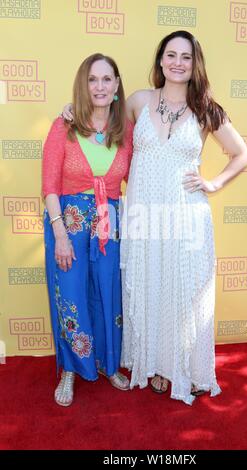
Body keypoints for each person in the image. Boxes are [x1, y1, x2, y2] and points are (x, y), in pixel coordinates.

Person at [62, 31, 247, 405]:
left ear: (195, 64)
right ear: (160, 60)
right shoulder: (138, 102)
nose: (177, 62)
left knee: (185, 292)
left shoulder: (207, 110)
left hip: (185, 216)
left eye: (185, 56)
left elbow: (242, 154)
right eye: (171, 55)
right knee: (150, 284)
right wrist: (70, 112)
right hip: (143, 214)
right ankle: (157, 365)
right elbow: (103, 121)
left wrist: (213, 184)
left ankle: (188, 369)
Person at [43, 53, 133, 407]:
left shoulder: (125, 133)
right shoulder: (62, 127)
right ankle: (69, 368)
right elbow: (50, 186)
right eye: (93, 79)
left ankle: (109, 364)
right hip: (67, 224)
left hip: (109, 227)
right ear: (84, 85)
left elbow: (137, 179)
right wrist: (60, 234)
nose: (100, 86)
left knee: (108, 294)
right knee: (71, 295)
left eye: (107, 79)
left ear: (115, 87)